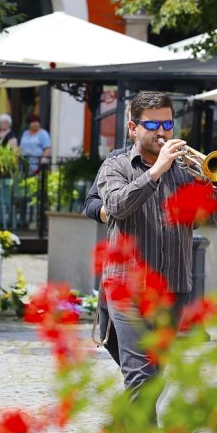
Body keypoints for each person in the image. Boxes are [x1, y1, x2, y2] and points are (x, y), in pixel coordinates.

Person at [96, 91, 217, 420]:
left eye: (167, 123)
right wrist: (155, 173)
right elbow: (118, 206)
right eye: (153, 124)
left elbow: (209, 218)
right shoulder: (116, 166)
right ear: (133, 127)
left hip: (174, 288)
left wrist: (206, 187)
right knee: (141, 376)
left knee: (155, 375)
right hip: (127, 288)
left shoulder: (183, 171)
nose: (162, 131)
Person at [82, 147, 128, 367]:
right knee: (108, 334)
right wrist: (111, 209)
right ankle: (145, 379)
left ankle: (144, 380)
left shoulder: (174, 160)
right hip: (120, 263)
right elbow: (90, 203)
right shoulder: (116, 159)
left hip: (161, 268)